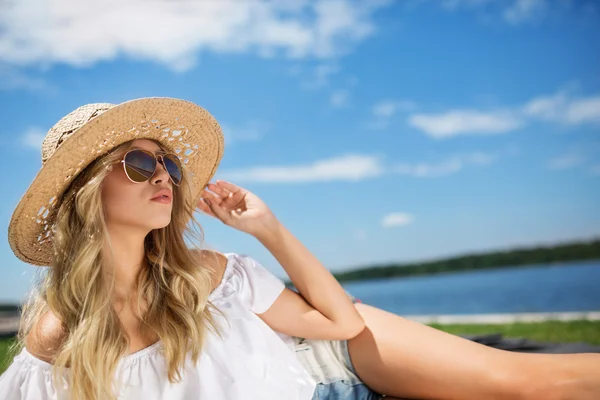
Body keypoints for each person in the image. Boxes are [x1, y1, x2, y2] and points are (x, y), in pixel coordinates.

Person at [0, 98, 598, 400]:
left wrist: (268, 229)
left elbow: (340, 324)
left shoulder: (210, 272)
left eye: (167, 163)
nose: (163, 176)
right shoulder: (57, 339)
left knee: (524, 381)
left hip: (331, 365)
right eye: (138, 162)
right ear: (85, 192)